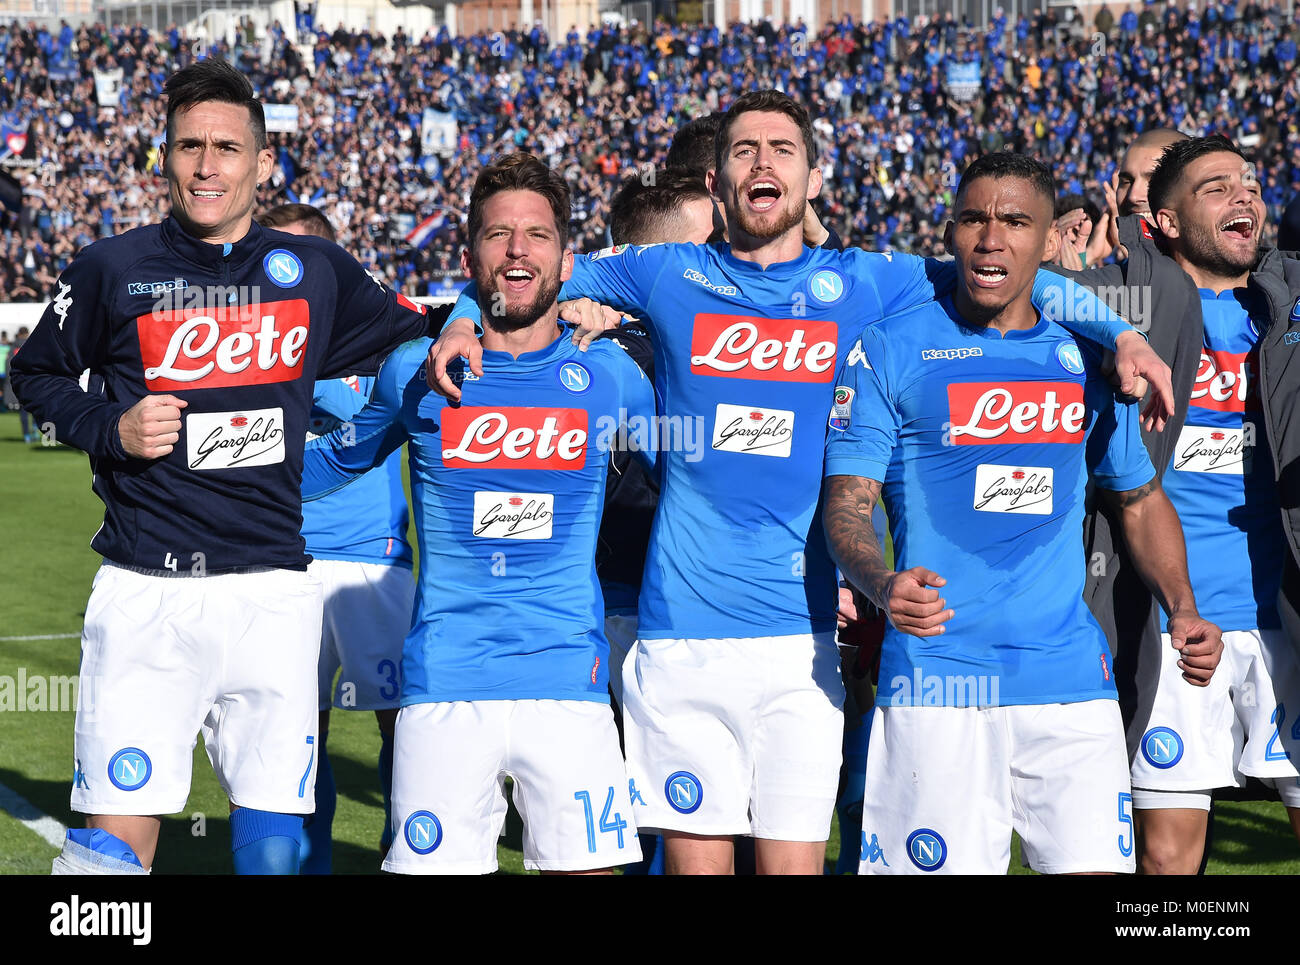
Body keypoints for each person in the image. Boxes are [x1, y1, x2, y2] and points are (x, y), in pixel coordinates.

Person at [430, 91, 1174, 875]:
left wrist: (1121, 333)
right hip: (683, 633)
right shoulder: (665, 273)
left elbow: (1016, 277)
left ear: (814, 178)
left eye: (781, 149)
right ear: (716, 184)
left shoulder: (866, 282)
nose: (762, 162)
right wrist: (457, 316)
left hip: (806, 635)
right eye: (743, 149)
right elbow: (526, 269)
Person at [10, 59, 446, 876]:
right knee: (109, 844)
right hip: (147, 589)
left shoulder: (313, 271)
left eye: (227, 148)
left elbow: (406, 328)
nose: (207, 166)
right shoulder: (112, 268)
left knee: (277, 844)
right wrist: (110, 424)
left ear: (262, 162)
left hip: (274, 590)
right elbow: (32, 375)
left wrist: (453, 333)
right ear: (164, 158)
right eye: (188, 147)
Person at [823, 152, 1223, 875]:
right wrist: (881, 582)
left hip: (1070, 683)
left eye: (1015, 221)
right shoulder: (888, 347)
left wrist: (1184, 607)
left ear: (1048, 242)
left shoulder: (1087, 359)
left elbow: (1139, 498)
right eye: (974, 218)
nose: (991, 238)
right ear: (949, 232)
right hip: (937, 684)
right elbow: (847, 503)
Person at [301, 153, 654, 875]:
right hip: (445, 685)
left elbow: (691, 479)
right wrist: (207, 485)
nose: (518, 249)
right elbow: (335, 458)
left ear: (566, 258)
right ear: (470, 256)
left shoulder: (612, 376)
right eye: (499, 235)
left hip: (570, 684)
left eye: (537, 234)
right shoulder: (418, 371)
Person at [1108, 135, 1300, 872]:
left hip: (1288, 615)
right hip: (1176, 621)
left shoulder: (1284, 313)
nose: (1244, 194)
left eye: (1248, 182)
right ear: (1165, 222)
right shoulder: (1127, 317)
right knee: (1167, 860)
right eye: (1215, 187)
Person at [256, 202, 415, 873]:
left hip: (371, 562)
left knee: (403, 721)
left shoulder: (381, 338)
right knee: (301, 734)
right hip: (283, 560)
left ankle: (407, 836)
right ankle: (313, 860)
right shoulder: (249, 341)